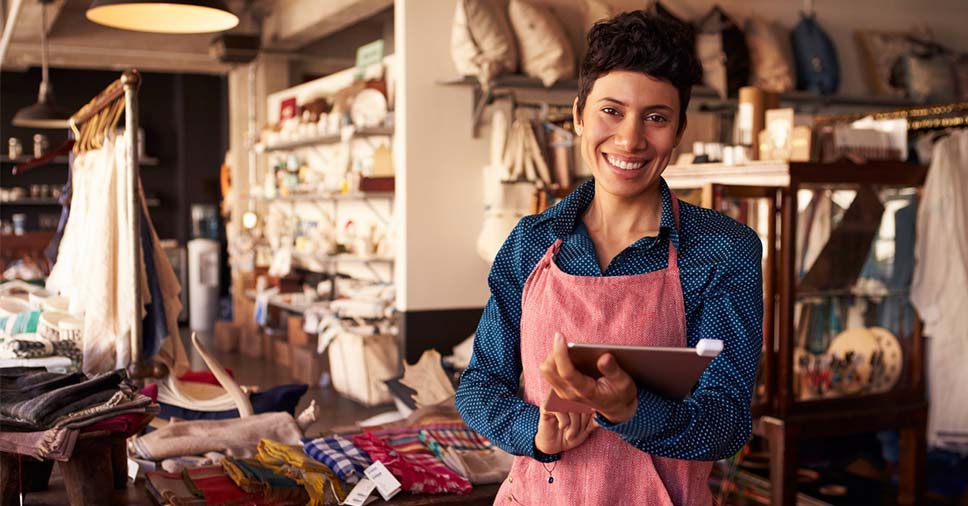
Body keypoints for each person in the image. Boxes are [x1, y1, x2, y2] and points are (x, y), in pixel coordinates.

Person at [455, 10, 763, 506]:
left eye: (656, 118)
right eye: (611, 111)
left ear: (680, 129)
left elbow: (726, 423)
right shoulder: (530, 242)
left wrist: (632, 410)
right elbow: (478, 386)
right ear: (579, 114)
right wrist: (534, 432)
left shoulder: (724, 249)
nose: (630, 139)